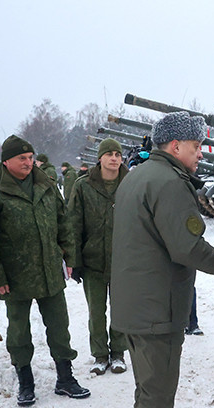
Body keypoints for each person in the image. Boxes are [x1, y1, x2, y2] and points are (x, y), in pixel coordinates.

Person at [111, 111, 214, 408]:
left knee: (147, 385)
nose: (201, 154)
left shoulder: (138, 177)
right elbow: (187, 247)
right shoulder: (169, 183)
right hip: (156, 308)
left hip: (136, 303)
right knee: (157, 391)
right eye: (197, 146)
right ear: (176, 145)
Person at [0, 134, 90, 407]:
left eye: (30, 158)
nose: (28, 163)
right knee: (19, 332)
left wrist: (70, 257)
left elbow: (64, 223)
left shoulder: (46, 184)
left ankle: (65, 378)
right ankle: (25, 382)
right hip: (15, 277)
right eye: (22, 159)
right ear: (6, 161)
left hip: (50, 269)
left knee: (60, 327)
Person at [66, 138, 129, 375]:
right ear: (100, 158)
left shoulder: (130, 183)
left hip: (124, 260)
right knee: (96, 310)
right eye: (109, 154)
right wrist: (74, 260)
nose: (114, 158)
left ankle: (119, 353)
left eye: (118, 154)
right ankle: (100, 355)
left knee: (121, 309)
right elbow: (74, 223)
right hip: (93, 260)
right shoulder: (84, 186)